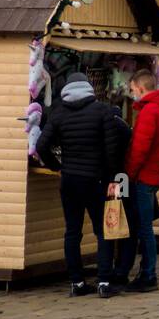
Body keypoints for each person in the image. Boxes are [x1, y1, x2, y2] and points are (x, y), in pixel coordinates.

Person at [36, 72, 128, 297]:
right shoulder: (103, 111)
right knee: (103, 231)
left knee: (72, 232)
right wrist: (112, 179)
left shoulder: (58, 113)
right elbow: (112, 151)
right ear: (88, 89)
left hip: (69, 181)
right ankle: (104, 282)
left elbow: (41, 145)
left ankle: (76, 282)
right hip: (97, 181)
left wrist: (57, 166)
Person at [114, 69, 159, 292]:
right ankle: (143, 272)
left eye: (132, 90)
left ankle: (148, 274)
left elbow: (140, 148)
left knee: (143, 228)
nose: (132, 94)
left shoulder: (150, 112)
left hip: (144, 176)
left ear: (141, 88)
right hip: (154, 174)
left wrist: (128, 173)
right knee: (144, 226)